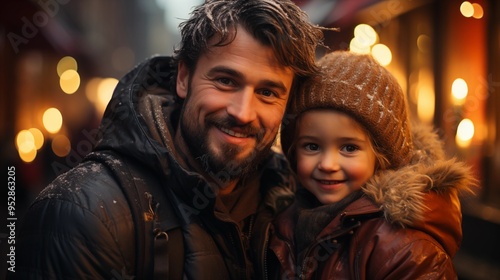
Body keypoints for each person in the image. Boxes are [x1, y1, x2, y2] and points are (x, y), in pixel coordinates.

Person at [8, 0, 326, 279]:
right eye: (226, 81)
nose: (242, 113)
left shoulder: (294, 203)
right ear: (184, 77)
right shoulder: (82, 215)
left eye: (267, 93)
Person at [269, 50, 478, 279]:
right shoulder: (285, 215)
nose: (328, 164)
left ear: (381, 157)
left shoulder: (404, 248)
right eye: (312, 146)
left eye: (349, 148)